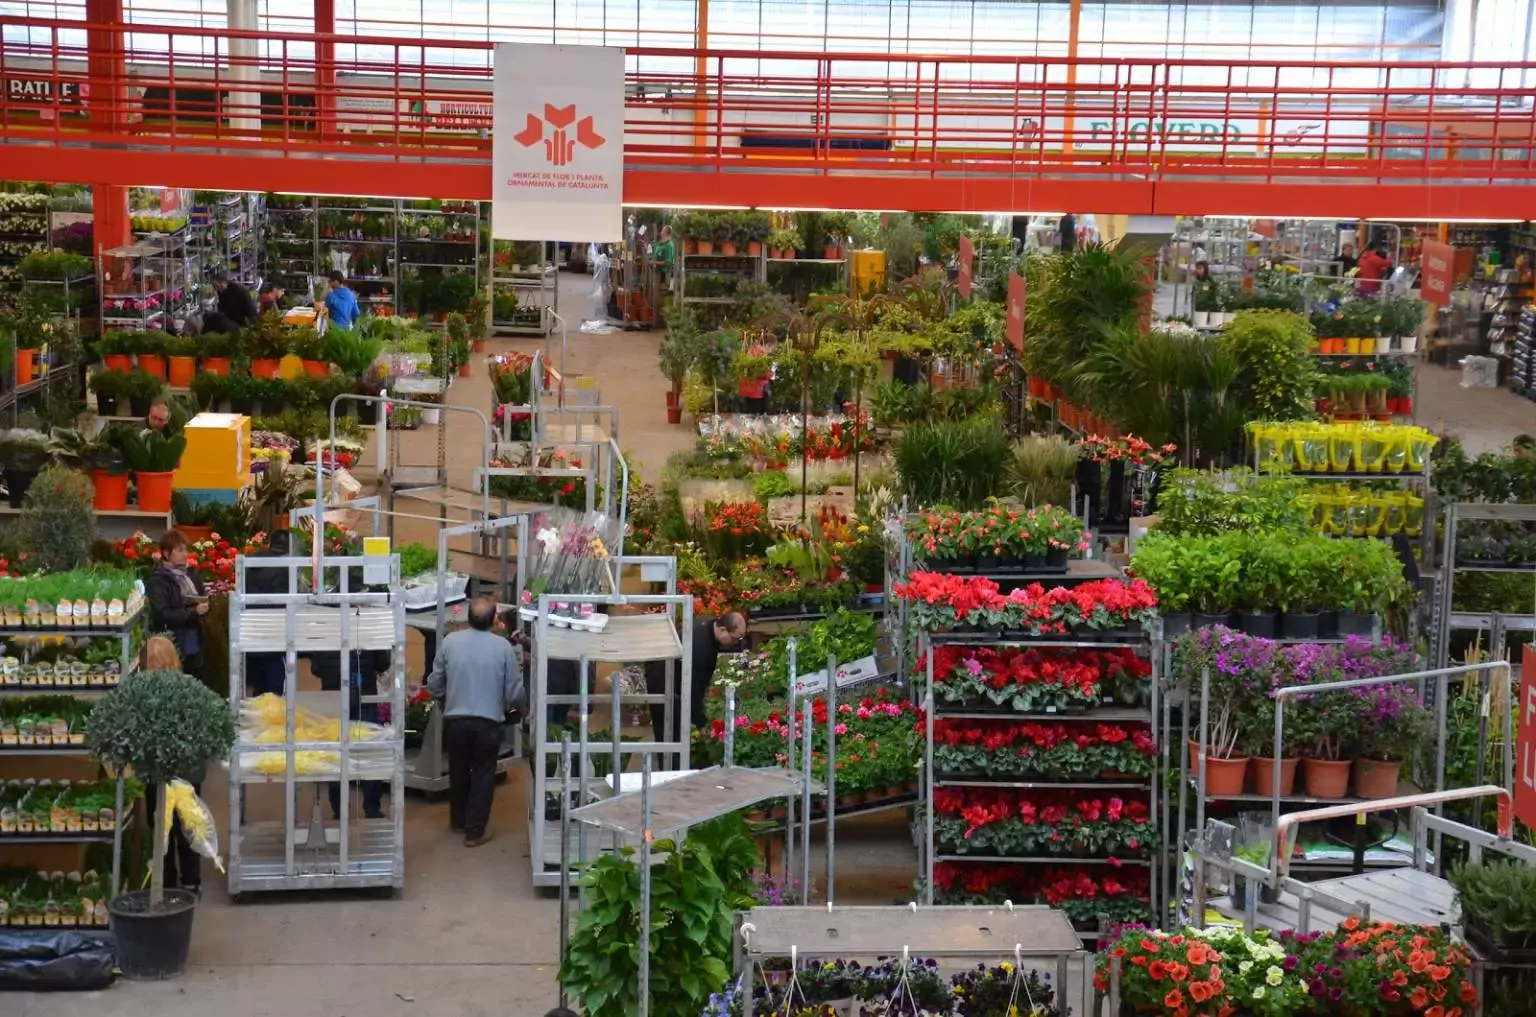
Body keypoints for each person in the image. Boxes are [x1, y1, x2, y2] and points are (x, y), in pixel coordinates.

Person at [427, 596, 524, 846]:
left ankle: (458, 821)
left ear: (467, 617)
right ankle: (475, 831)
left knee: (458, 771)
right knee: (483, 774)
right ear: (494, 619)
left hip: (456, 720)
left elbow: (435, 680)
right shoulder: (503, 647)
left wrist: (441, 698)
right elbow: (514, 690)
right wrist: (519, 708)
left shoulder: (451, 642)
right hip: (488, 723)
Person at [138, 635, 204, 895]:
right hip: (188, 774)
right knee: (187, 825)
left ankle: (166, 883)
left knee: (161, 828)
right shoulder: (191, 688)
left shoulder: (141, 694)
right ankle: (191, 881)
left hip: (157, 774)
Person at [645, 612, 747, 759]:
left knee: (674, 729)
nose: (737, 643)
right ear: (723, 630)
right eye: (735, 639)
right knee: (670, 733)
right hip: (663, 681)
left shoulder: (709, 625)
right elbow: (693, 691)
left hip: (671, 673)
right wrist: (702, 724)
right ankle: (672, 772)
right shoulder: (700, 649)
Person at [311, 642, 392, 822]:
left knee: (336, 756)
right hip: (365, 699)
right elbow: (383, 663)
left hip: (333, 700)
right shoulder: (368, 632)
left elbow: (315, 669)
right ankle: (371, 809)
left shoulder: (326, 634)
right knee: (369, 755)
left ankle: (340, 811)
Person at [146, 530, 208, 678]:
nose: (185, 554)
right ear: (166, 554)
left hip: (194, 637)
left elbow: (202, 597)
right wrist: (194, 612)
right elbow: (161, 614)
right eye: (180, 550)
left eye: (186, 550)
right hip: (173, 641)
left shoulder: (191, 575)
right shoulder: (159, 580)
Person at [243, 529, 293, 697]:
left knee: (258, 691)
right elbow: (283, 606)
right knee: (275, 695)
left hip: (250, 635)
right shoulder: (283, 569)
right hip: (274, 641)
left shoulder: (249, 563)